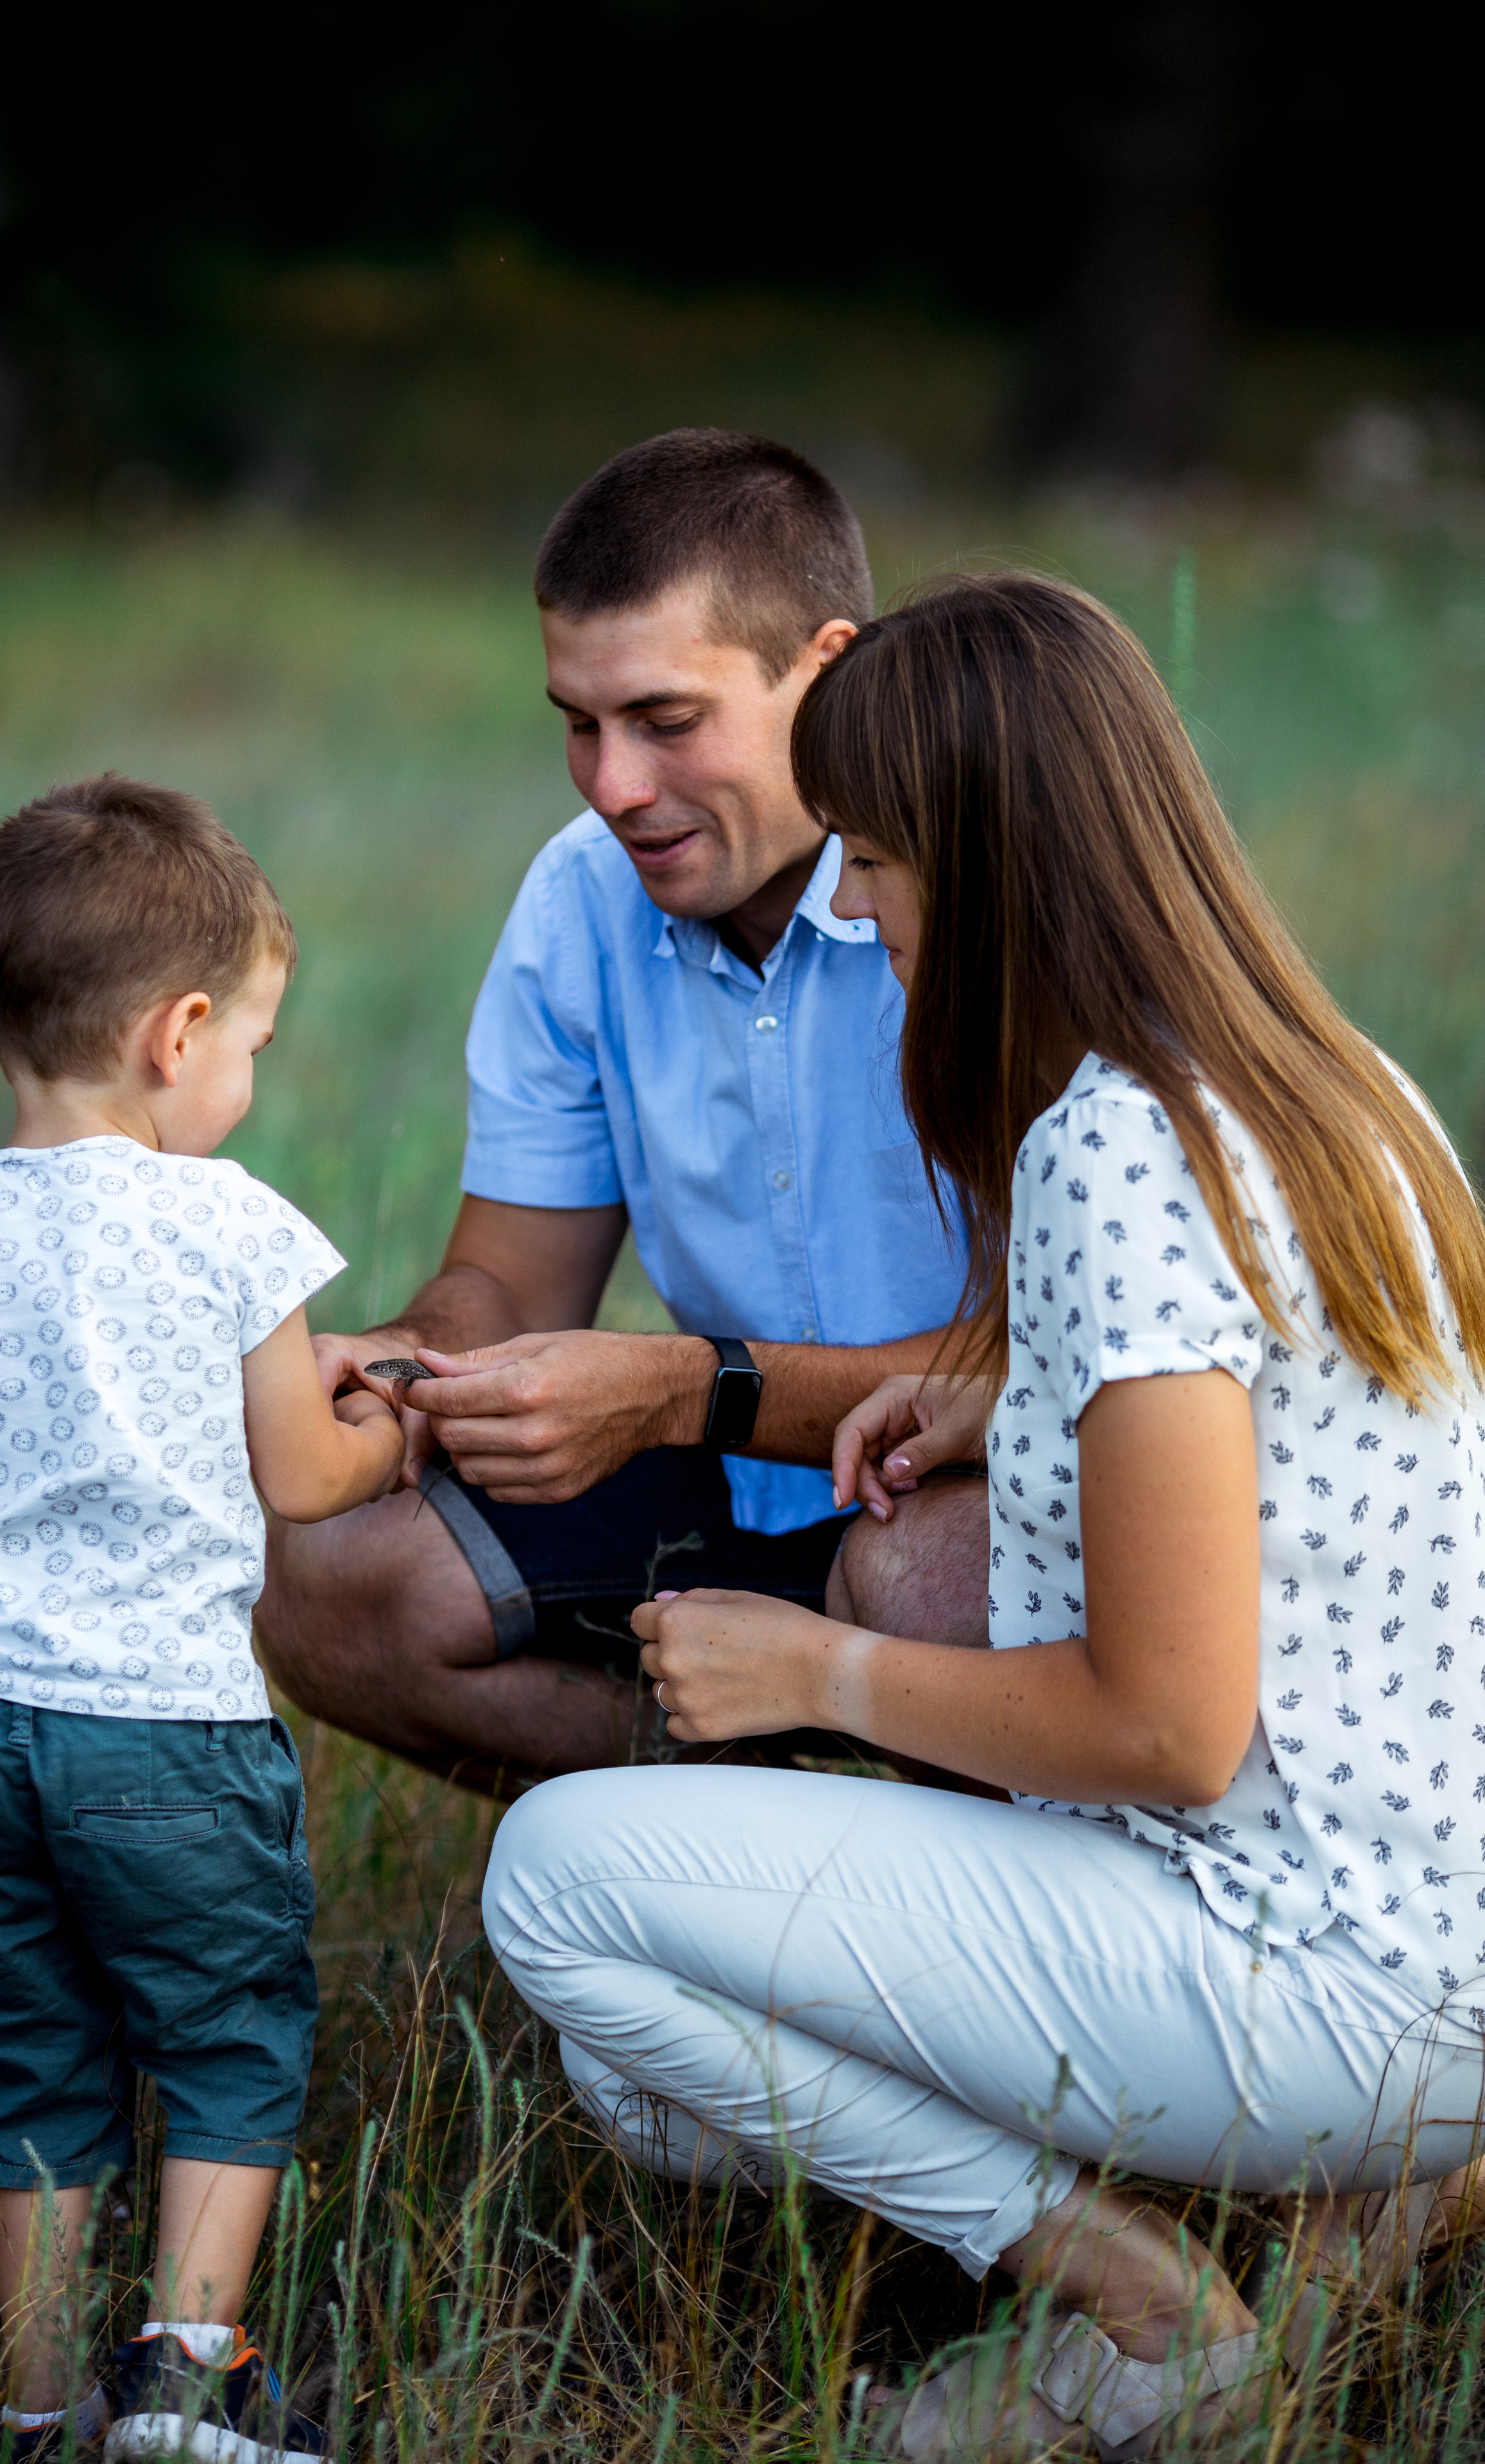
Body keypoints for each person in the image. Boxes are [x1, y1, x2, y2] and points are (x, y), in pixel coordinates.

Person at [482, 574, 1485, 2457]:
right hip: (1438, 1934)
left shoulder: (1112, 1144)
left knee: (564, 1885)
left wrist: (819, 1666)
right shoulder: (1344, 1093)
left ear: (998, 865)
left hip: (1301, 1961)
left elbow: (1169, 1730)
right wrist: (1006, 1403)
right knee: (649, 2085)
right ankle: (1372, 2200)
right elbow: (1298, 1446)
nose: (855, 905)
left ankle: (1148, 2312)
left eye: (873, 856)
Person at [257, 428, 985, 1793]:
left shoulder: (978, 886)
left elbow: (1061, 1371)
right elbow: (507, 1275)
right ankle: (751, 1844)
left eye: (663, 721)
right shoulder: (578, 896)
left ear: (825, 670)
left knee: (924, 1574)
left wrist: (675, 1389)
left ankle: (943, 1858)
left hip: (978, 1489)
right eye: (576, 726)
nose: (611, 788)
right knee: (335, 1573)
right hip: (727, 1481)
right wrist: (410, 1364)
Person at [0, 776, 405, 2461]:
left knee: (26, 2065)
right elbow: (307, 1478)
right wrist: (395, 1423)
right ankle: (182, 2386)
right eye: (252, 1042)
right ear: (176, 1034)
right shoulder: (229, 1224)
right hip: (170, 1730)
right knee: (229, 2041)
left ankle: (30, 2408)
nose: (248, 1077)